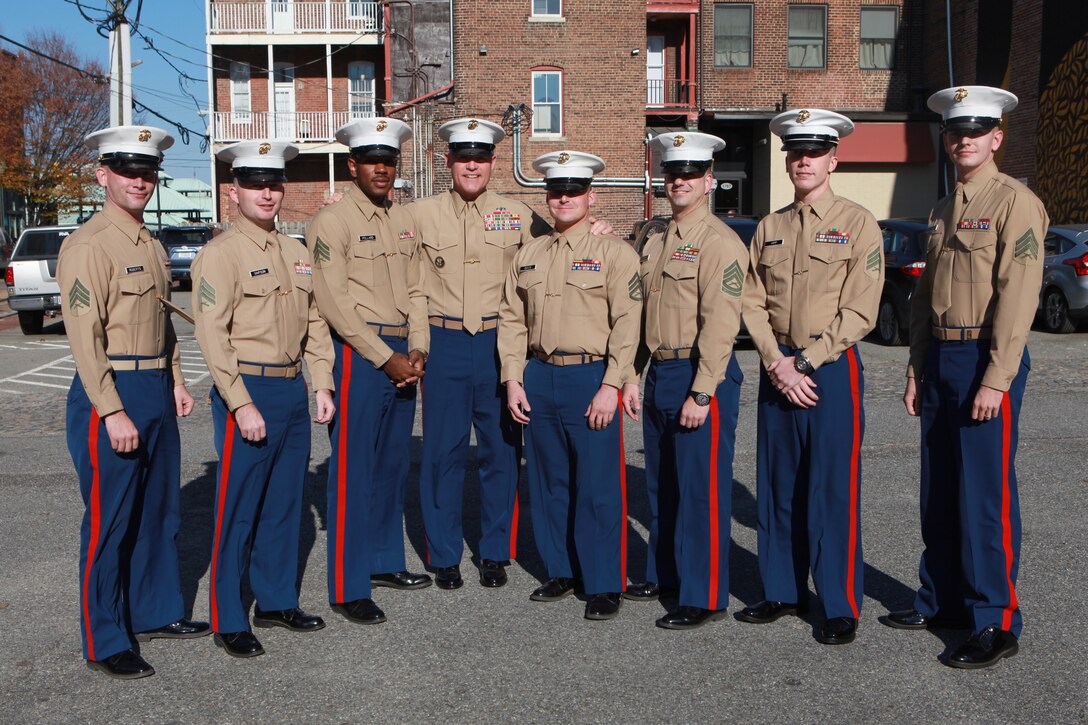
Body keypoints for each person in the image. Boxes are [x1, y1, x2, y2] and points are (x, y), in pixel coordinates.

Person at [888, 86, 1047, 669]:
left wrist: (997, 378)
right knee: (940, 490)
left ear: (997, 137)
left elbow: (1019, 296)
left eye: (976, 131)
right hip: (943, 360)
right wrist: (916, 367)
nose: (964, 140)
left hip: (985, 355)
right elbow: (926, 297)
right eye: (956, 132)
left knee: (984, 494)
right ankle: (942, 600)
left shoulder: (1014, 203)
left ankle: (995, 619)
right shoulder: (942, 207)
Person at [57, 125, 208, 679]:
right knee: (110, 521)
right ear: (103, 176)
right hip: (112, 388)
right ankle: (105, 638)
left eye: (148, 172)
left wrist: (173, 378)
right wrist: (110, 409)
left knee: (159, 511)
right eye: (127, 171)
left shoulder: (149, 241)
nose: (139, 181)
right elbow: (84, 334)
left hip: (152, 388)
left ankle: (154, 609)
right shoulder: (90, 244)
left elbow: (159, 321)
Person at [738, 109, 883, 645]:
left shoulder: (858, 222)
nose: (804, 160)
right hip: (778, 370)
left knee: (831, 489)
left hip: (828, 371)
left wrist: (804, 361)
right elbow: (751, 301)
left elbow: (862, 309)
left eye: (815, 151)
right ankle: (781, 589)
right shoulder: (769, 227)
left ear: (833, 159)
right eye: (795, 151)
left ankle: (840, 603)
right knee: (778, 484)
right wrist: (777, 359)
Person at [192, 141, 336, 658]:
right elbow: (213, 335)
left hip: (292, 390)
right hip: (248, 391)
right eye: (255, 183)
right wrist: (239, 402)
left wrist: (321, 383)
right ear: (234, 192)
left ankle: (275, 602)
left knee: (284, 505)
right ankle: (229, 616)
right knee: (238, 510)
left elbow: (316, 322)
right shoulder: (220, 255)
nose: (267, 193)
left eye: (275, 183)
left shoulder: (296, 253)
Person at [498, 150, 641, 621]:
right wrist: (513, 379)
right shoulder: (528, 254)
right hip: (540, 375)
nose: (563, 197)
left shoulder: (614, 252)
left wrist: (612, 384)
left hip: (590, 375)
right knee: (547, 480)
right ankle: (560, 569)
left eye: (573, 190)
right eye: (556, 190)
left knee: (598, 485)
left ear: (590, 195)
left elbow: (627, 323)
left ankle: (603, 581)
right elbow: (512, 321)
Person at [410, 118, 551, 589]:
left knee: (502, 451)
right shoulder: (418, 214)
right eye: (463, 156)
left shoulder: (520, 214)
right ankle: (444, 554)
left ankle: (495, 551)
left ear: (493, 162)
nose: (472, 165)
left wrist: (598, 227)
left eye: (482, 157)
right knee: (441, 453)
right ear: (447, 160)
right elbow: (375, 240)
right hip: (443, 342)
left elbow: (559, 248)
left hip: (498, 344)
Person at [621, 132, 746, 629]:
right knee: (663, 485)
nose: (680, 181)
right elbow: (642, 314)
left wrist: (702, 390)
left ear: (708, 181)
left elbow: (721, 324)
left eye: (691, 174)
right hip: (660, 371)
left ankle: (706, 593)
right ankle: (666, 573)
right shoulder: (656, 239)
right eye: (674, 173)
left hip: (700, 372)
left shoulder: (720, 243)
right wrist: (632, 375)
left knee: (701, 490)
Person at [309, 117, 430, 626]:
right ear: (352, 164)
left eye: (390, 161)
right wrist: (386, 356)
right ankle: (347, 583)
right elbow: (334, 302)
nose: (382, 169)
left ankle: (384, 562)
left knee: (391, 467)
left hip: (403, 351)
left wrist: (418, 349)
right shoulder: (329, 223)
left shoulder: (403, 220)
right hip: (361, 356)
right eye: (372, 161)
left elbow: (419, 289)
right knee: (353, 472)